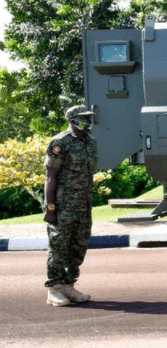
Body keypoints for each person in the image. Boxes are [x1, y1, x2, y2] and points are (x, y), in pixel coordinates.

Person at [43, 105, 98, 307]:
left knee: (78, 246)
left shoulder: (90, 143)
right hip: (63, 205)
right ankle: (54, 289)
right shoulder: (60, 142)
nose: (89, 122)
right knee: (59, 246)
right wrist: (50, 208)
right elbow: (50, 176)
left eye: (90, 118)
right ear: (72, 120)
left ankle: (68, 286)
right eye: (84, 118)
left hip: (84, 204)